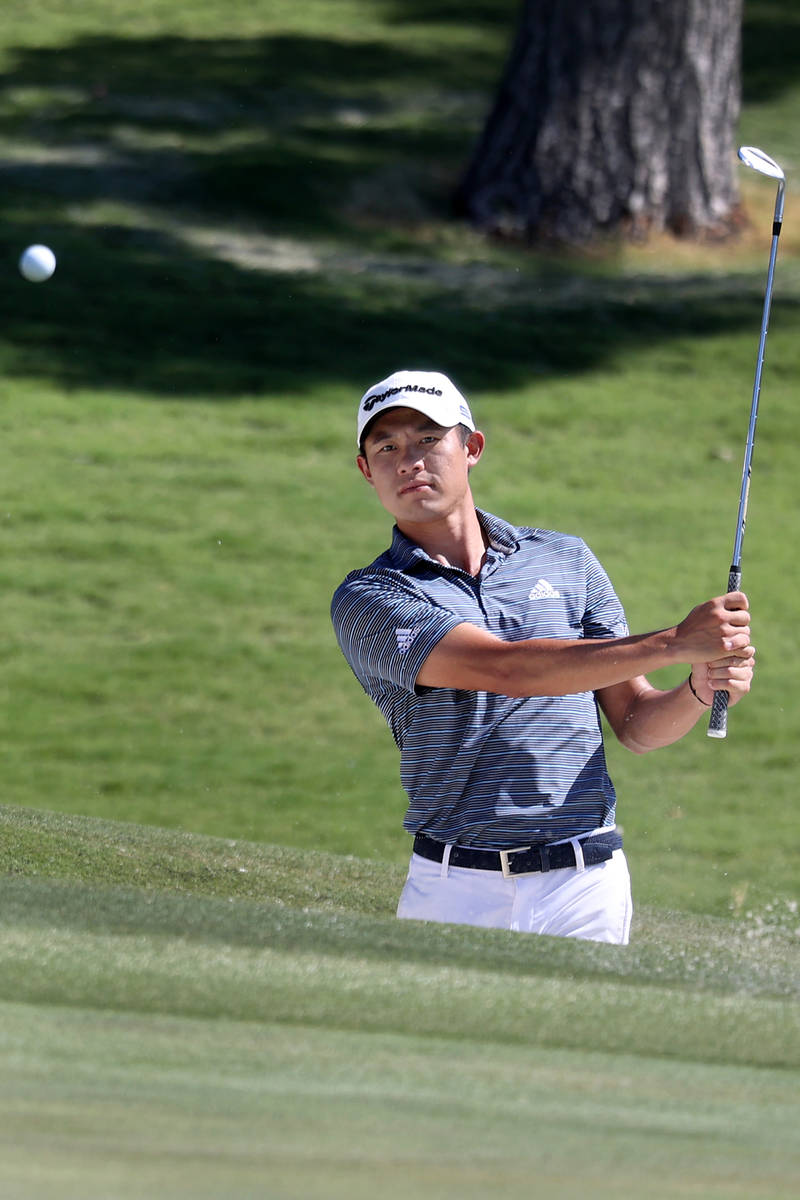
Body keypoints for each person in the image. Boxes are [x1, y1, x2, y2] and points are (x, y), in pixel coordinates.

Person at [330, 370, 754, 944]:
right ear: (367, 470)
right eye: (387, 447)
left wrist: (699, 687)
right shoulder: (370, 597)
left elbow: (636, 725)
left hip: (584, 885)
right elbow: (507, 671)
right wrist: (677, 641)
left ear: (471, 447)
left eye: (429, 439)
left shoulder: (566, 560)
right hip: (454, 885)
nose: (409, 461)